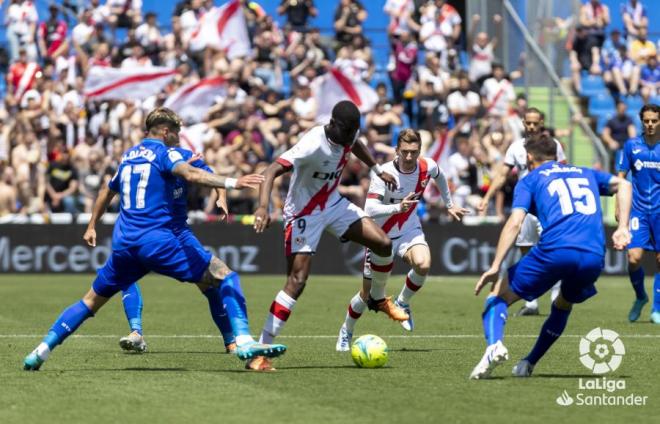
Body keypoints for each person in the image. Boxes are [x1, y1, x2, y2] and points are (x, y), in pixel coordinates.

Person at [23, 108, 286, 370]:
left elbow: (106, 191)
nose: (179, 139)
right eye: (177, 134)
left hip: (125, 243)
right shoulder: (167, 153)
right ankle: (244, 341)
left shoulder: (129, 157)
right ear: (165, 132)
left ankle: (40, 351)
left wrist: (92, 225)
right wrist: (233, 183)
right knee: (224, 276)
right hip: (162, 239)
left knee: (90, 300)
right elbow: (193, 174)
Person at [250, 101, 403, 371]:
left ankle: (376, 298)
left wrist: (377, 169)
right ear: (334, 125)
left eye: (355, 132)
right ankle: (259, 353)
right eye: (349, 132)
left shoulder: (348, 133)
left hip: (334, 204)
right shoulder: (312, 144)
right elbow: (271, 170)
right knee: (296, 282)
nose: (351, 137)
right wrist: (263, 207)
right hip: (303, 213)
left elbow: (355, 144)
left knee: (383, 244)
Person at [469, 133, 632, 379]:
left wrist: (495, 265)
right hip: (594, 255)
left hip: (556, 250)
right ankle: (528, 363)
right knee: (562, 304)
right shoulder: (585, 172)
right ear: (557, 155)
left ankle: (494, 346)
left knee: (496, 298)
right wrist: (623, 228)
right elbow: (625, 184)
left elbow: (515, 223)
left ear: (529, 158)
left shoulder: (530, 179)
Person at [83, 146, 236, 354]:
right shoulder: (145, 159)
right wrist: (92, 224)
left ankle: (231, 341)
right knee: (125, 278)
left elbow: (213, 177)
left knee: (207, 284)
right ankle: (136, 333)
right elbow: (108, 190)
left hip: (177, 235)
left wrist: (222, 197)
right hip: (148, 234)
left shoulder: (184, 156)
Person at [336, 129, 468, 351]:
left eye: (413, 152)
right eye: (405, 152)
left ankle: (403, 302)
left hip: (408, 229)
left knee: (423, 264)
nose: (409, 157)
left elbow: (441, 176)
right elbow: (369, 208)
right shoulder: (385, 173)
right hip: (380, 236)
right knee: (367, 295)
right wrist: (399, 206)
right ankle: (346, 330)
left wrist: (449, 204)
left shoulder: (427, 166)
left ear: (419, 151)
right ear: (397, 150)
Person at [478, 108, 567, 316]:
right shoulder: (516, 147)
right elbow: (502, 175)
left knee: (554, 250)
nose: (532, 127)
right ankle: (532, 302)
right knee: (526, 252)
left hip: (548, 206)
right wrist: (487, 197)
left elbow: (565, 171)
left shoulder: (553, 146)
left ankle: (555, 299)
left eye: (536, 123)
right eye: (528, 123)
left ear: (542, 122)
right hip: (525, 208)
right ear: (523, 123)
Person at [617, 104, 660, 324]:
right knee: (633, 258)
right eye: (647, 121)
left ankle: (657, 309)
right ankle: (641, 296)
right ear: (641, 121)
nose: (650, 124)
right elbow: (621, 178)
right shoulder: (632, 146)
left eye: (654, 120)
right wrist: (618, 208)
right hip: (638, 211)